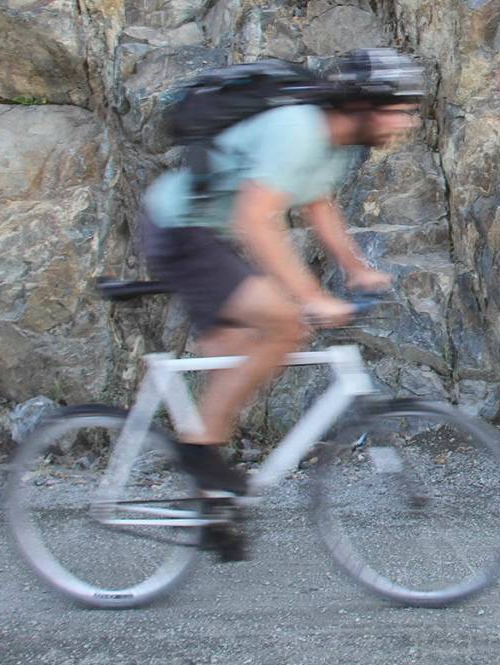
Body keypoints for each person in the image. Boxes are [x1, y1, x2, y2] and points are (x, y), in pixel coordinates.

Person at [140, 48, 424, 505]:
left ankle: (209, 504)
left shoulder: (333, 144)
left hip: (203, 235)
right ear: (362, 105)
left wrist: (356, 270)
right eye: (399, 109)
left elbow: (318, 205)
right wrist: (312, 296)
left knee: (239, 356)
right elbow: (254, 220)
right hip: (179, 229)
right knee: (285, 324)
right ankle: (199, 460)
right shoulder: (298, 130)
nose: (406, 122)